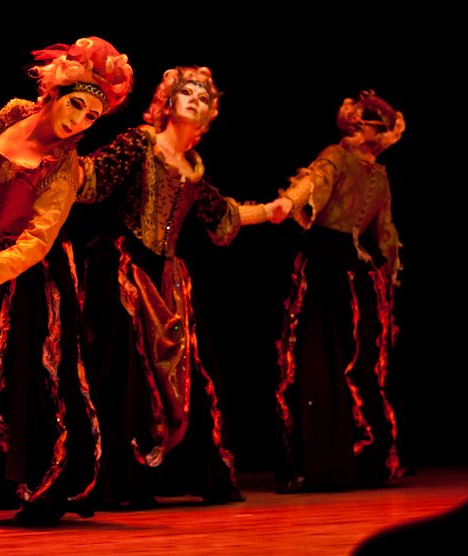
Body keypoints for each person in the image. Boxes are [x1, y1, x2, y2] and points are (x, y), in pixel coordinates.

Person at [73, 66, 285, 510]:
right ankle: (120, 480)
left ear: (208, 116)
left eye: (203, 97)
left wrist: (273, 209)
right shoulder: (140, 142)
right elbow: (91, 179)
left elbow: (224, 215)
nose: (195, 100)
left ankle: (179, 472)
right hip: (123, 270)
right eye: (186, 92)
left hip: (168, 279)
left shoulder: (193, 170)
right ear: (167, 102)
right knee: (123, 374)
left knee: (187, 377)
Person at [0, 37, 134, 525]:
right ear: (55, 91)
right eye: (76, 105)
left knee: (30, 379)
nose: (79, 122)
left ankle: (45, 489)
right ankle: (10, 487)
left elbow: (37, 242)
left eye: (92, 117)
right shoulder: (10, 114)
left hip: (32, 280)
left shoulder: (62, 166)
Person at [270, 90, 406, 493]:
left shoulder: (375, 173)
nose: (373, 131)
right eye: (369, 123)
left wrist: (388, 279)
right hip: (338, 267)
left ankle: (336, 462)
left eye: (377, 126)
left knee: (333, 362)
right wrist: (288, 201)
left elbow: (385, 232)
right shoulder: (340, 158)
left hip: (342, 271)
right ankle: (340, 460)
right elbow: (314, 182)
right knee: (330, 362)